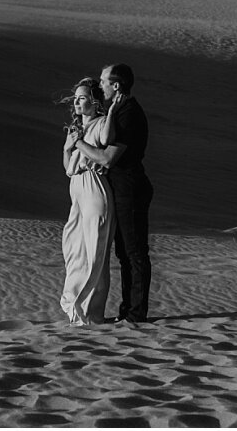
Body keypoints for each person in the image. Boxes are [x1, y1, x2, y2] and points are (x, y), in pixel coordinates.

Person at [74, 64, 153, 324]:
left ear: (116, 86)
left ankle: (135, 314)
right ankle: (128, 311)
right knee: (125, 253)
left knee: (134, 252)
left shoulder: (128, 113)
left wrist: (79, 143)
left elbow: (108, 158)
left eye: (104, 81)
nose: (101, 85)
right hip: (120, 189)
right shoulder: (118, 110)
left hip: (129, 189)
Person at [59, 77, 119, 325]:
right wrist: (67, 147)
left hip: (95, 188)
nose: (76, 102)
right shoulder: (76, 130)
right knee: (74, 249)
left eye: (82, 98)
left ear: (94, 102)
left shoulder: (101, 123)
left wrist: (112, 110)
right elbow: (68, 168)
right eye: (76, 98)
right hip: (77, 190)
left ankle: (91, 314)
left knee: (95, 250)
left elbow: (105, 141)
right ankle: (74, 306)